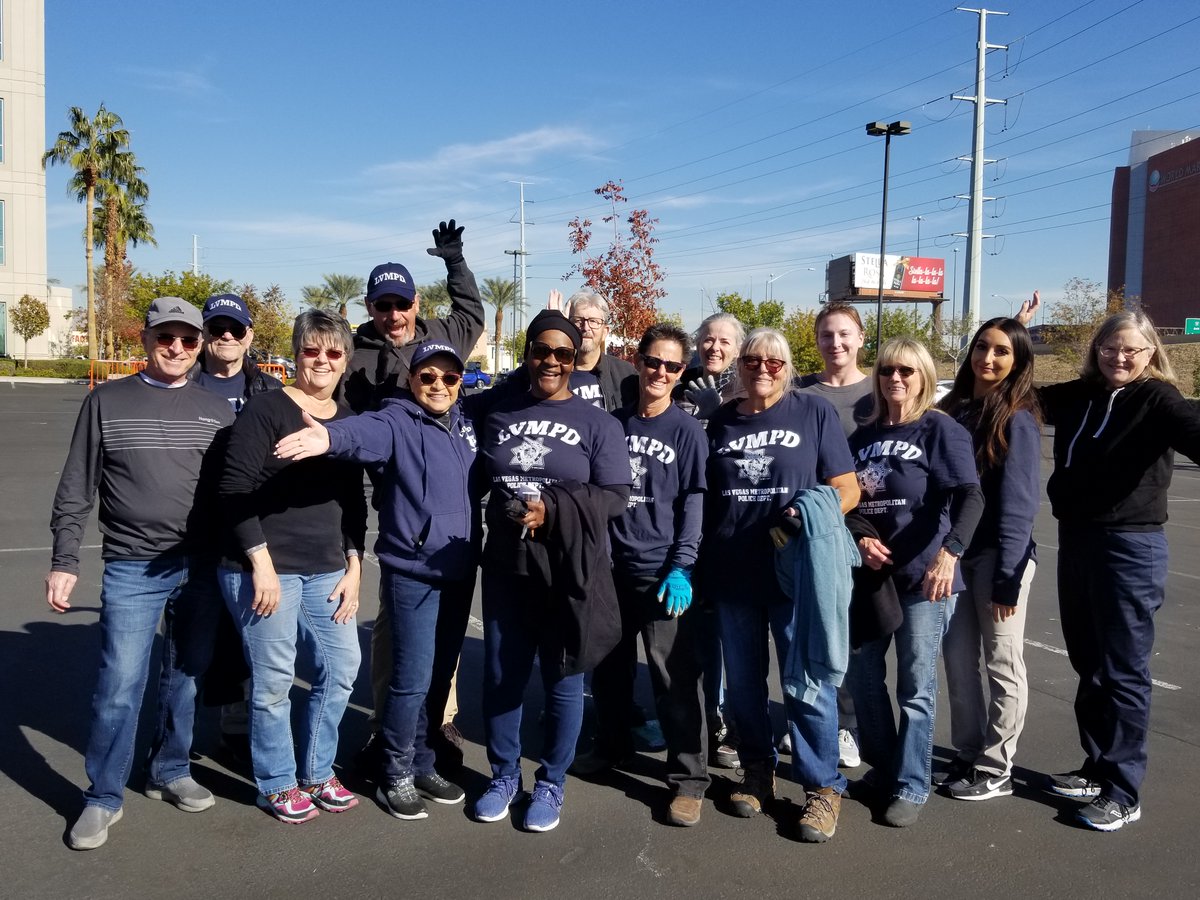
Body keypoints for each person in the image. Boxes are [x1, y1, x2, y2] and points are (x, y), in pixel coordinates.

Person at [47, 297, 235, 851]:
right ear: (147, 340)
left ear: (200, 345)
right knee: (119, 684)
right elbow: (76, 484)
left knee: (187, 676)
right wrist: (64, 560)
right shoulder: (107, 400)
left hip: (201, 566)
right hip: (133, 565)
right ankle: (103, 797)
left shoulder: (217, 411)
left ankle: (169, 768)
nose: (176, 348)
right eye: (165, 337)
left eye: (187, 339)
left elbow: (235, 491)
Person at [274, 340, 480, 821]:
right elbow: (363, 433)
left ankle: (423, 760)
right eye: (427, 376)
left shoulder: (466, 423)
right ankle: (394, 772)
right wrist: (328, 439)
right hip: (413, 572)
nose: (438, 385)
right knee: (408, 680)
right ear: (411, 380)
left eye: (449, 377)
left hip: (459, 570)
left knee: (435, 678)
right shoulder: (396, 421)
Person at [1021, 300, 1200, 831]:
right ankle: (1097, 767)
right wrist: (1019, 334)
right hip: (1078, 540)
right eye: (1109, 347)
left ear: (1151, 352)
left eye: (1130, 349)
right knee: (1090, 662)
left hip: (1130, 547)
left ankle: (1123, 790)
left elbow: (1194, 431)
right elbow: (1018, 393)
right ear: (1095, 350)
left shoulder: (1159, 399)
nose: (1118, 357)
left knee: (1124, 670)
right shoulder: (1081, 395)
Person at [698, 327, 861, 842]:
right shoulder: (721, 420)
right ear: (739, 366)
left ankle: (822, 788)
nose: (762, 369)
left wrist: (806, 515)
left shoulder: (812, 412)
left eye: (773, 361)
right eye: (752, 361)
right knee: (744, 686)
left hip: (796, 575)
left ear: (787, 366)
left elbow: (847, 488)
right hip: (732, 573)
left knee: (807, 684)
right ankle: (757, 771)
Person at [472, 309, 631, 833]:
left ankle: (552, 781)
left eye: (564, 353)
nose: (552, 361)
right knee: (502, 675)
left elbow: (615, 497)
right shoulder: (497, 411)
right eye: (543, 350)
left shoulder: (598, 424)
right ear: (528, 352)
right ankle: (502, 776)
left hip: (568, 569)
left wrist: (554, 509)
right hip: (506, 567)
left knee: (563, 676)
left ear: (574, 360)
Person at [344, 219, 485, 777]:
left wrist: (456, 263)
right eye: (383, 306)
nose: (394, 315)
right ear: (371, 308)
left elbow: (473, 311)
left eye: (401, 303)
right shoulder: (357, 358)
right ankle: (389, 729)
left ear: (414, 301)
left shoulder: (444, 336)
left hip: (449, 520)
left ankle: (437, 722)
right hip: (400, 513)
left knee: (442, 642)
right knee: (398, 637)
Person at [217, 310, 367, 824]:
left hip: (329, 570)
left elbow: (355, 504)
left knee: (342, 669)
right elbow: (233, 489)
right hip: (266, 570)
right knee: (275, 679)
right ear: (296, 354)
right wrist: (259, 563)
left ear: (344, 360)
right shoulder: (265, 411)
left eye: (332, 352)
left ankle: (319, 771)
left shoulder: (347, 420)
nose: (321, 361)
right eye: (311, 350)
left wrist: (355, 565)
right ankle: (277, 782)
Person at [575, 323, 710, 827]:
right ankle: (611, 749)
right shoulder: (612, 425)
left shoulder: (687, 430)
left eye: (672, 366)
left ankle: (688, 780)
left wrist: (682, 566)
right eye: (653, 361)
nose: (660, 372)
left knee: (673, 678)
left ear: (680, 373)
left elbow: (695, 502)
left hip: (660, 573)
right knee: (608, 669)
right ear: (638, 361)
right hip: (611, 569)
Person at [846, 338, 983, 828]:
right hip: (871, 580)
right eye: (887, 371)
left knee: (915, 688)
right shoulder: (861, 437)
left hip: (925, 579)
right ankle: (885, 769)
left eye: (906, 370)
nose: (895, 379)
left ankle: (912, 783)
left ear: (923, 375)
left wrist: (950, 554)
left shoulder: (940, 429)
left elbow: (970, 495)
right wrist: (861, 537)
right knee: (862, 681)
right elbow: (846, 502)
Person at [937, 318, 1041, 800]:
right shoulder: (953, 409)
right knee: (959, 662)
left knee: (1002, 662)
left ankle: (997, 766)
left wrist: (1008, 578)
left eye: (1002, 351)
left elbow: (1019, 504)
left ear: (1017, 360)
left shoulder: (1016, 417)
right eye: (982, 347)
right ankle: (968, 751)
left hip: (1000, 558)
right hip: (955, 557)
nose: (989, 358)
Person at [189, 292, 284, 762]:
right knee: (190, 646)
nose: (226, 337)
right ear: (205, 334)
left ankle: (235, 722)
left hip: (247, 530)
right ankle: (174, 742)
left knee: (247, 633)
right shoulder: (184, 384)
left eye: (235, 329)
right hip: (193, 531)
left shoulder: (267, 390)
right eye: (217, 329)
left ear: (249, 335)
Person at [796, 301, 874, 770]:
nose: (836, 343)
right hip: (811, 532)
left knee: (851, 638)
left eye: (844, 334)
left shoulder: (879, 390)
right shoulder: (802, 391)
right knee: (812, 631)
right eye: (827, 335)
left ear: (860, 338)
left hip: (864, 528)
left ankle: (848, 726)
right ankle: (813, 720)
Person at [673, 311, 746, 769]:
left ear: (737, 348)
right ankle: (710, 717)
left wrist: (715, 411)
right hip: (689, 527)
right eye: (707, 339)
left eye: (724, 341)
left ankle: (738, 727)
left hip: (734, 532)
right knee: (699, 636)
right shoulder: (683, 387)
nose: (714, 347)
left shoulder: (749, 387)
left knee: (734, 636)